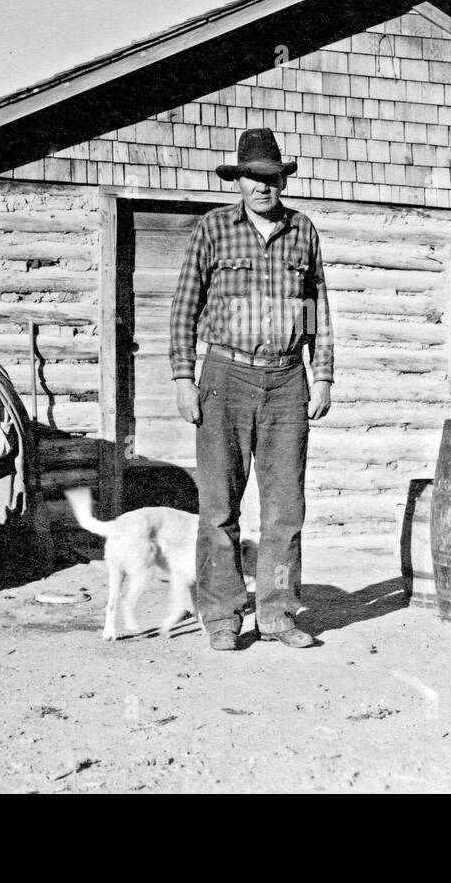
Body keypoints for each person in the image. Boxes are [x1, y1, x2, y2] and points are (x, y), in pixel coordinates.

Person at [169, 128, 334, 651]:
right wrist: (181, 376)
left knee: (285, 507)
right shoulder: (213, 230)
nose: (263, 188)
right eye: (252, 178)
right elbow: (184, 307)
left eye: (272, 178)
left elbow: (317, 310)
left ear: (282, 179)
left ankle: (279, 614)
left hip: (287, 380)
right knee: (219, 506)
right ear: (237, 180)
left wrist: (322, 373)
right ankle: (221, 617)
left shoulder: (303, 232)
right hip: (225, 377)